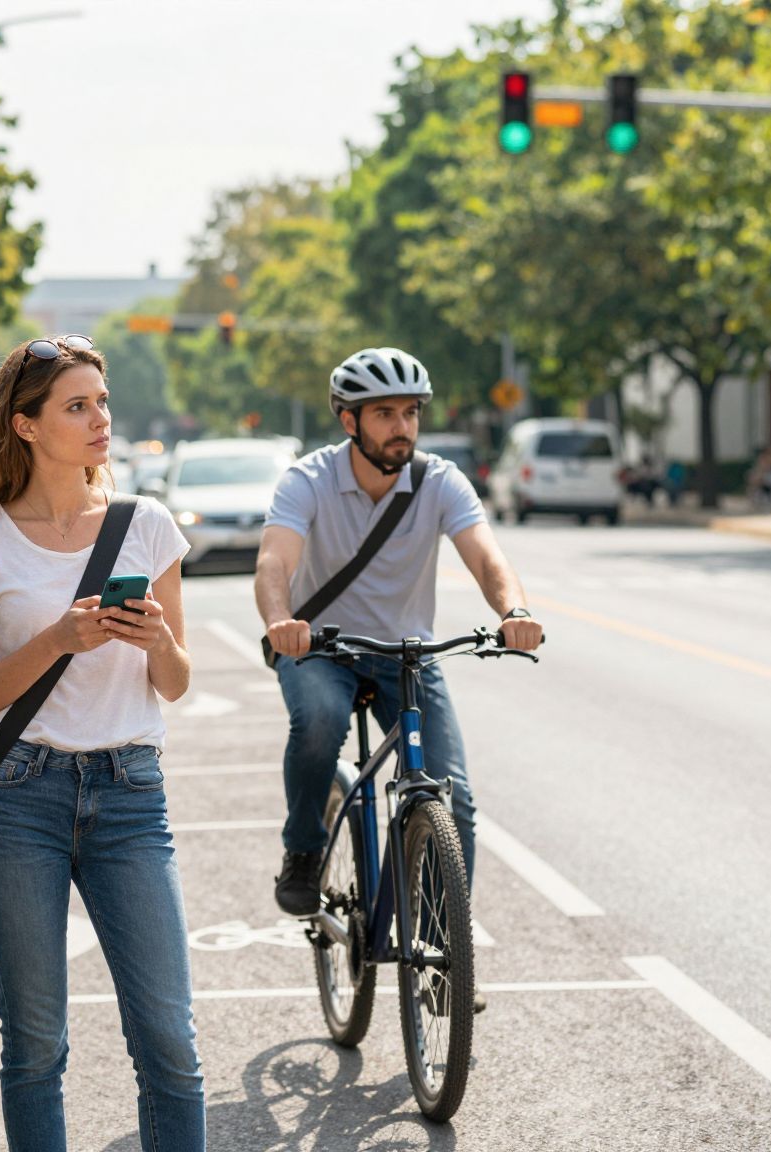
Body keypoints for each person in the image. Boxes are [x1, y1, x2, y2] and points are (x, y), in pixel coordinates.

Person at [0, 334, 204, 1151]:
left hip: (130, 792)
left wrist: (154, 640)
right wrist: (58, 639)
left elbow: (177, 682)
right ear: (25, 425)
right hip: (22, 797)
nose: (100, 421)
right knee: (35, 1046)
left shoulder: (145, 525)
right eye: (77, 406)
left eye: (102, 403)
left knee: (169, 1041)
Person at [255, 347, 545, 1010]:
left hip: (406, 653)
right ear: (349, 421)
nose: (401, 426)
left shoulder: (440, 481)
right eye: (384, 413)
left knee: (455, 799)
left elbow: (486, 556)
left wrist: (514, 610)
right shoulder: (308, 481)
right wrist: (281, 620)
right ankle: (303, 849)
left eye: (410, 412)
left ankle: (443, 953)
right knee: (321, 722)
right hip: (320, 647)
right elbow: (275, 561)